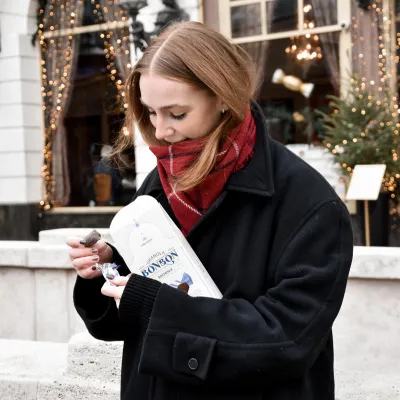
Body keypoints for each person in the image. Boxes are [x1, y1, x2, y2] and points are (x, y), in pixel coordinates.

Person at [67, 21, 353, 400]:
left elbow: (287, 339)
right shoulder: (161, 181)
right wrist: (108, 271)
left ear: (222, 96)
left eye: (177, 113)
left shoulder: (311, 204)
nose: (161, 131)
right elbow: (121, 324)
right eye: (151, 113)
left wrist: (155, 303)